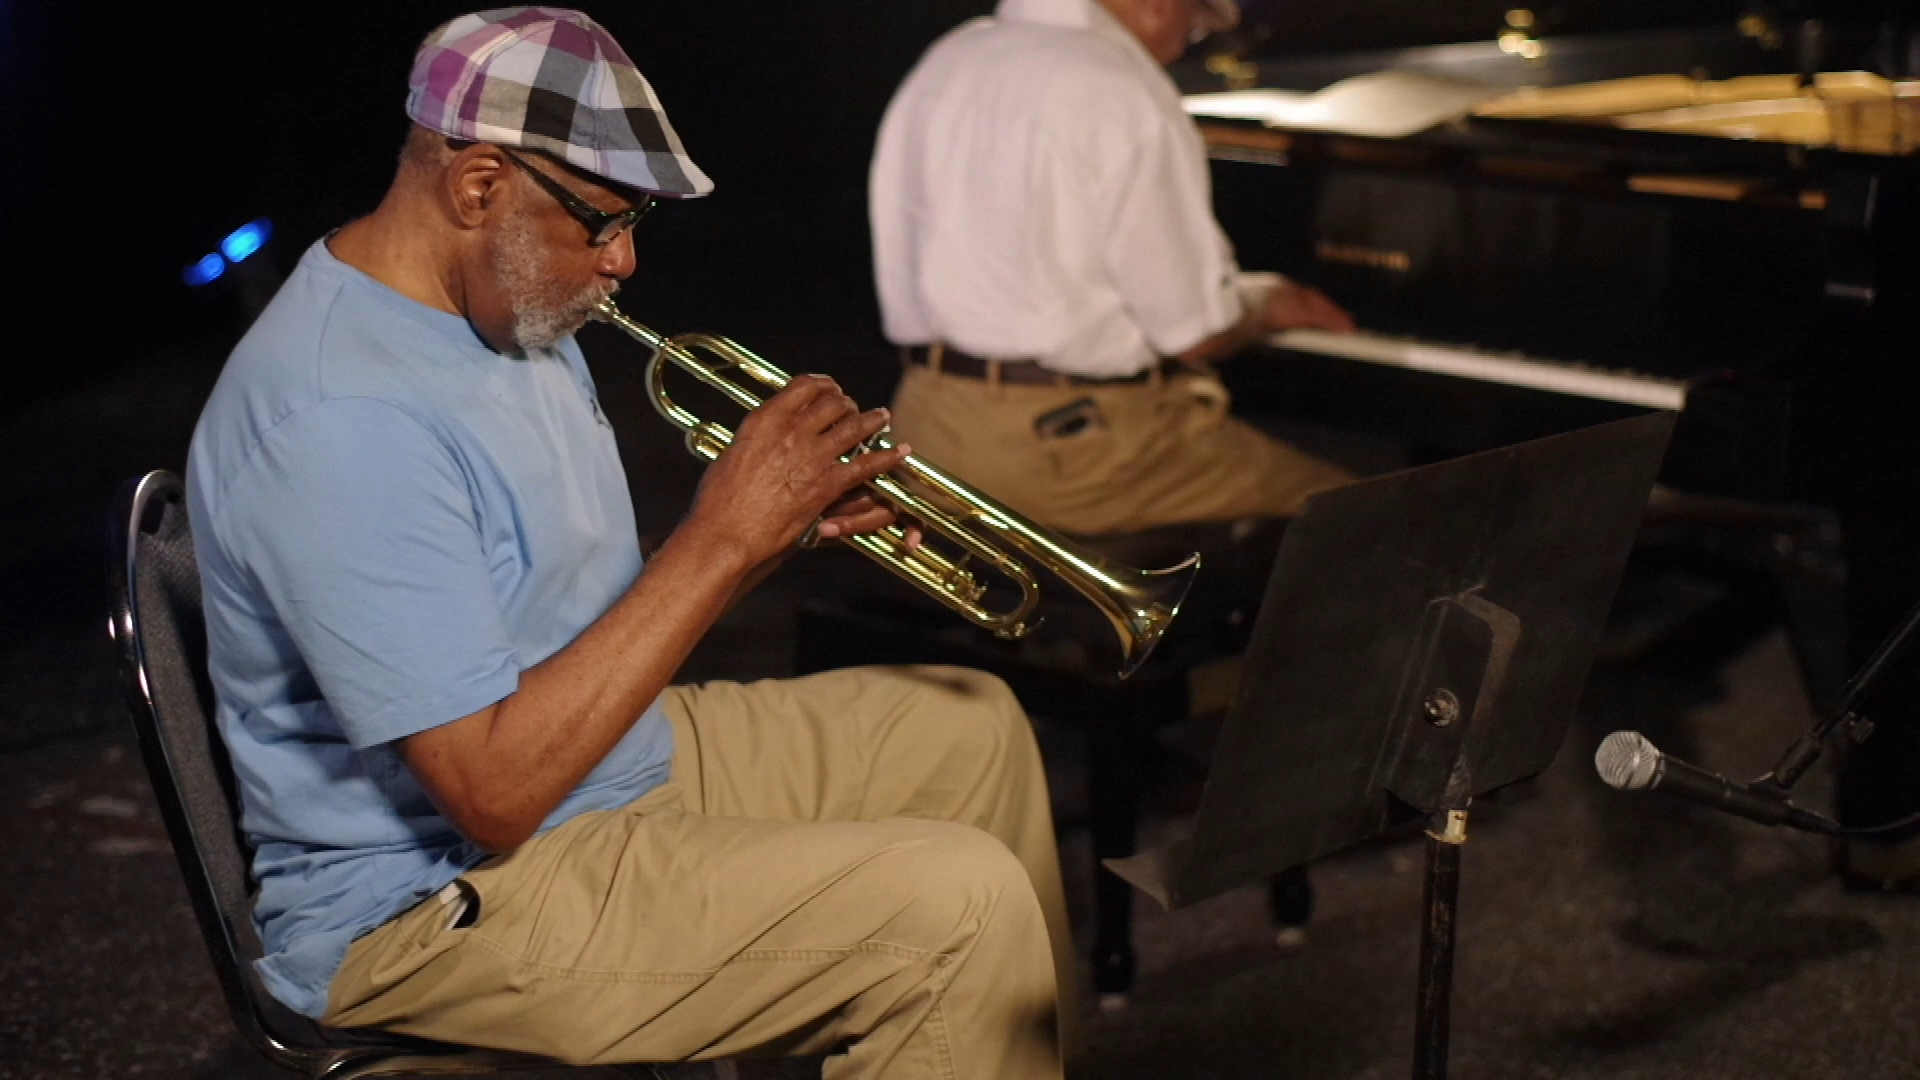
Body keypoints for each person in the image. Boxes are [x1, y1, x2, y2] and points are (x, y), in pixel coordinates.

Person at [184, 9, 1078, 1080]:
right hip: (433, 900)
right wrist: (720, 544)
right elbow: (493, 791)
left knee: (969, 725)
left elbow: (520, 591)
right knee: (956, 904)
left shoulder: (495, 308)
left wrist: (769, 529)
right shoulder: (340, 416)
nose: (626, 259)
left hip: (595, 768)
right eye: (602, 220)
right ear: (477, 189)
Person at [869, 0, 1359, 538]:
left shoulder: (952, 56)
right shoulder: (1119, 85)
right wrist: (1268, 302)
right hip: (1075, 451)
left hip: (923, 428)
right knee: (1357, 507)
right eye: (1194, 24)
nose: (1182, 46)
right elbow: (1194, 333)